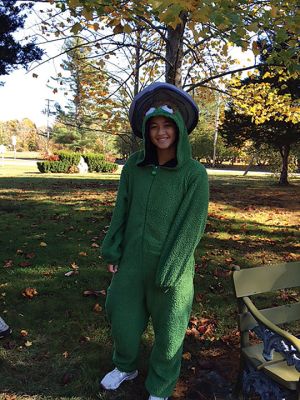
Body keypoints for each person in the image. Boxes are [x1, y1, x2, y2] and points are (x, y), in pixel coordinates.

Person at [100, 83, 209, 400]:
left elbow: (192, 227)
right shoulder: (133, 167)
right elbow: (121, 208)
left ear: (178, 128)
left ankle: (160, 386)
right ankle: (125, 365)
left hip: (172, 270)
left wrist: (171, 270)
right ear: (147, 131)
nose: (161, 132)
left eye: (167, 125)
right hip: (132, 263)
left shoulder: (194, 174)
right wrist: (113, 248)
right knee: (122, 319)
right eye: (154, 126)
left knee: (170, 333)